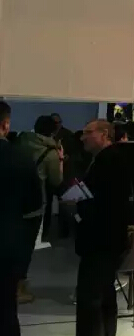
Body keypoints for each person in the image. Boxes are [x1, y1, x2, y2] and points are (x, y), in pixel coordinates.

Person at [52, 120, 131, 336]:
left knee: (89, 304)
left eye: (88, 133)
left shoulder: (108, 162)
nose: (83, 137)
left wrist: (77, 206)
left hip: (100, 243)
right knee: (104, 300)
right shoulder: (109, 160)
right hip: (108, 242)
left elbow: (100, 205)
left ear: (104, 135)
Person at [0, 101, 43, 336]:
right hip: (7, 255)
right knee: (5, 318)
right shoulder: (20, 159)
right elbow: (33, 211)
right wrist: (22, 261)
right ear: (6, 125)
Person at [15, 115, 63, 303]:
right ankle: (18, 289)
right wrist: (60, 160)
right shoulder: (51, 152)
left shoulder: (20, 142)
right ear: (53, 131)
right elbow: (56, 180)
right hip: (34, 204)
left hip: (12, 199)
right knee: (26, 247)